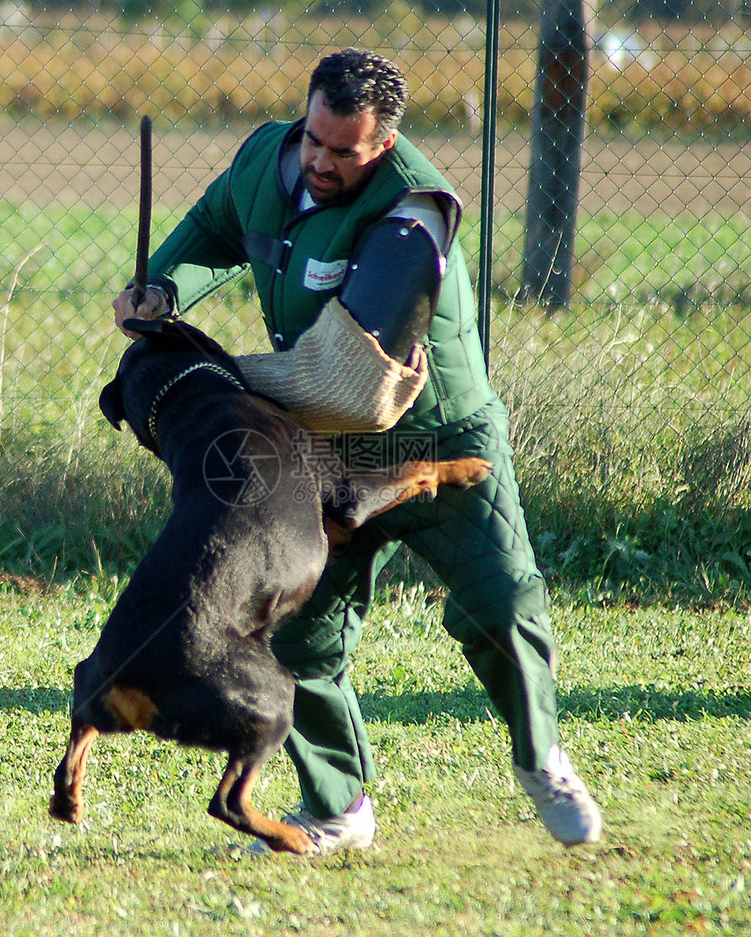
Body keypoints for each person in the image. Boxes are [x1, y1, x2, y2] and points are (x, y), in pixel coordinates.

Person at [112, 48, 602, 852]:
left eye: (346, 151)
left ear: (384, 144)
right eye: (314, 138)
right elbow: (214, 228)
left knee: (503, 603)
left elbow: (346, 381)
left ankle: (542, 754)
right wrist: (164, 290)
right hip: (320, 453)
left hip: (437, 441)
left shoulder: (415, 214)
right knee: (295, 636)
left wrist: (199, 371)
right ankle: (338, 806)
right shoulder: (266, 160)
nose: (321, 161)